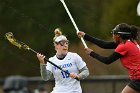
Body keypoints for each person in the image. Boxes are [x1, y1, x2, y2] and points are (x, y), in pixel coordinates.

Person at [77, 23, 140, 93]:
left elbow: (107, 60)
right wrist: (85, 36)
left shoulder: (124, 46)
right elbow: (105, 45)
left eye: (113, 34)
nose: (113, 36)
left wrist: (92, 53)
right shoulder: (130, 41)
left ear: (118, 35)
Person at [36, 28, 89, 93]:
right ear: (56, 45)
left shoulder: (74, 56)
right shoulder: (51, 60)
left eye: (67, 43)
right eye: (62, 43)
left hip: (74, 91)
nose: (65, 45)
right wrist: (42, 63)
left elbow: (86, 71)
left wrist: (78, 76)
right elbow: (45, 77)